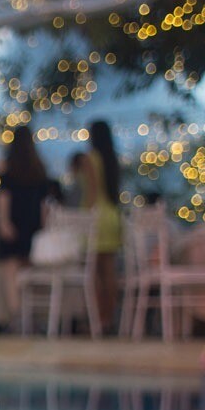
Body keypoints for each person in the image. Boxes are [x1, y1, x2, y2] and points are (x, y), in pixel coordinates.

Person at [0, 125, 49, 325]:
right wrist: (43, 228)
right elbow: (44, 205)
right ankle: (31, 317)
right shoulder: (39, 169)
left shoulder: (8, 168)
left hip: (13, 224)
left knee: (11, 275)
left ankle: (17, 316)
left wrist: (3, 222)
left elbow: (3, 198)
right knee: (30, 275)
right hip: (32, 226)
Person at [79, 120, 123, 335]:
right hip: (112, 216)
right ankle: (109, 318)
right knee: (109, 272)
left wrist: (84, 217)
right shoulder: (112, 158)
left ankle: (97, 321)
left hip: (96, 217)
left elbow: (92, 192)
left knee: (94, 275)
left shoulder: (90, 158)